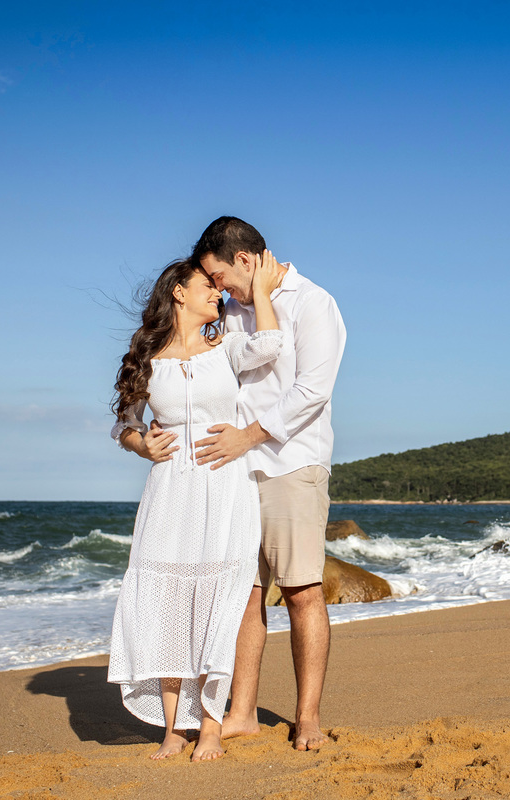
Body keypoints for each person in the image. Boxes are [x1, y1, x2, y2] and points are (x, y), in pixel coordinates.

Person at [108, 257, 283, 761]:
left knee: (216, 604)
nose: (218, 293)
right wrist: (141, 444)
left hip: (224, 484)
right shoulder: (147, 357)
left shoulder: (223, 346)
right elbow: (123, 422)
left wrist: (265, 290)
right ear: (178, 293)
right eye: (208, 285)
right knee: (166, 601)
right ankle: (172, 730)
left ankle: (210, 725)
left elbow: (270, 345)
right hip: (169, 491)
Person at [192, 216, 346, 751]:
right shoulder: (230, 313)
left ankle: (307, 718)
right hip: (236, 470)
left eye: (220, 277)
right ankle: (242, 712)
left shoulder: (314, 302)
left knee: (302, 591)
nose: (219, 289)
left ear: (245, 259)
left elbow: (312, 392)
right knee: (243, 594)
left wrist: (248, 437)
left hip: (291, 463)